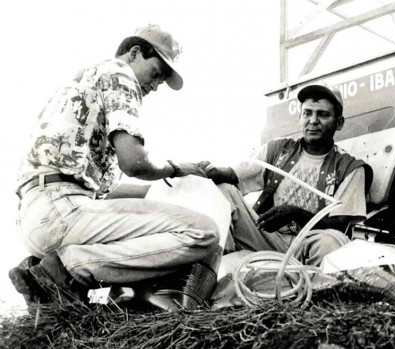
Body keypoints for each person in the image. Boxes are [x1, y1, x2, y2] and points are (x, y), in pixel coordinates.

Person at [10, 25, 221, 311]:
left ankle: (48, 271)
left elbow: (97, 187)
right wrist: (177, 168)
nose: (156, 86)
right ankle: (68, 269)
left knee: (156, 225)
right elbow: (134, 162)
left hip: (37, 214)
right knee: (203, 232)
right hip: (62, 210)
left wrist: (158, 190)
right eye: (157, 73)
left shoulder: (83, 80)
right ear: (134, 53)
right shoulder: (120, 74)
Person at [199, 84, 373, 266]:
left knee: (331, 241)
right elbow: (234, 174)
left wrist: (295, 213)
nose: (313, 121)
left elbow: (340, 224)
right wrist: (213, 172)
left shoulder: (350, 167)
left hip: (308, 244)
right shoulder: (277, 149)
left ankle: (318, 292)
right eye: (307, 113)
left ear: (339, 123)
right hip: (268, 238)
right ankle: (213, 273)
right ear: (300, 118)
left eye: (323, 114)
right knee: (223, 190)